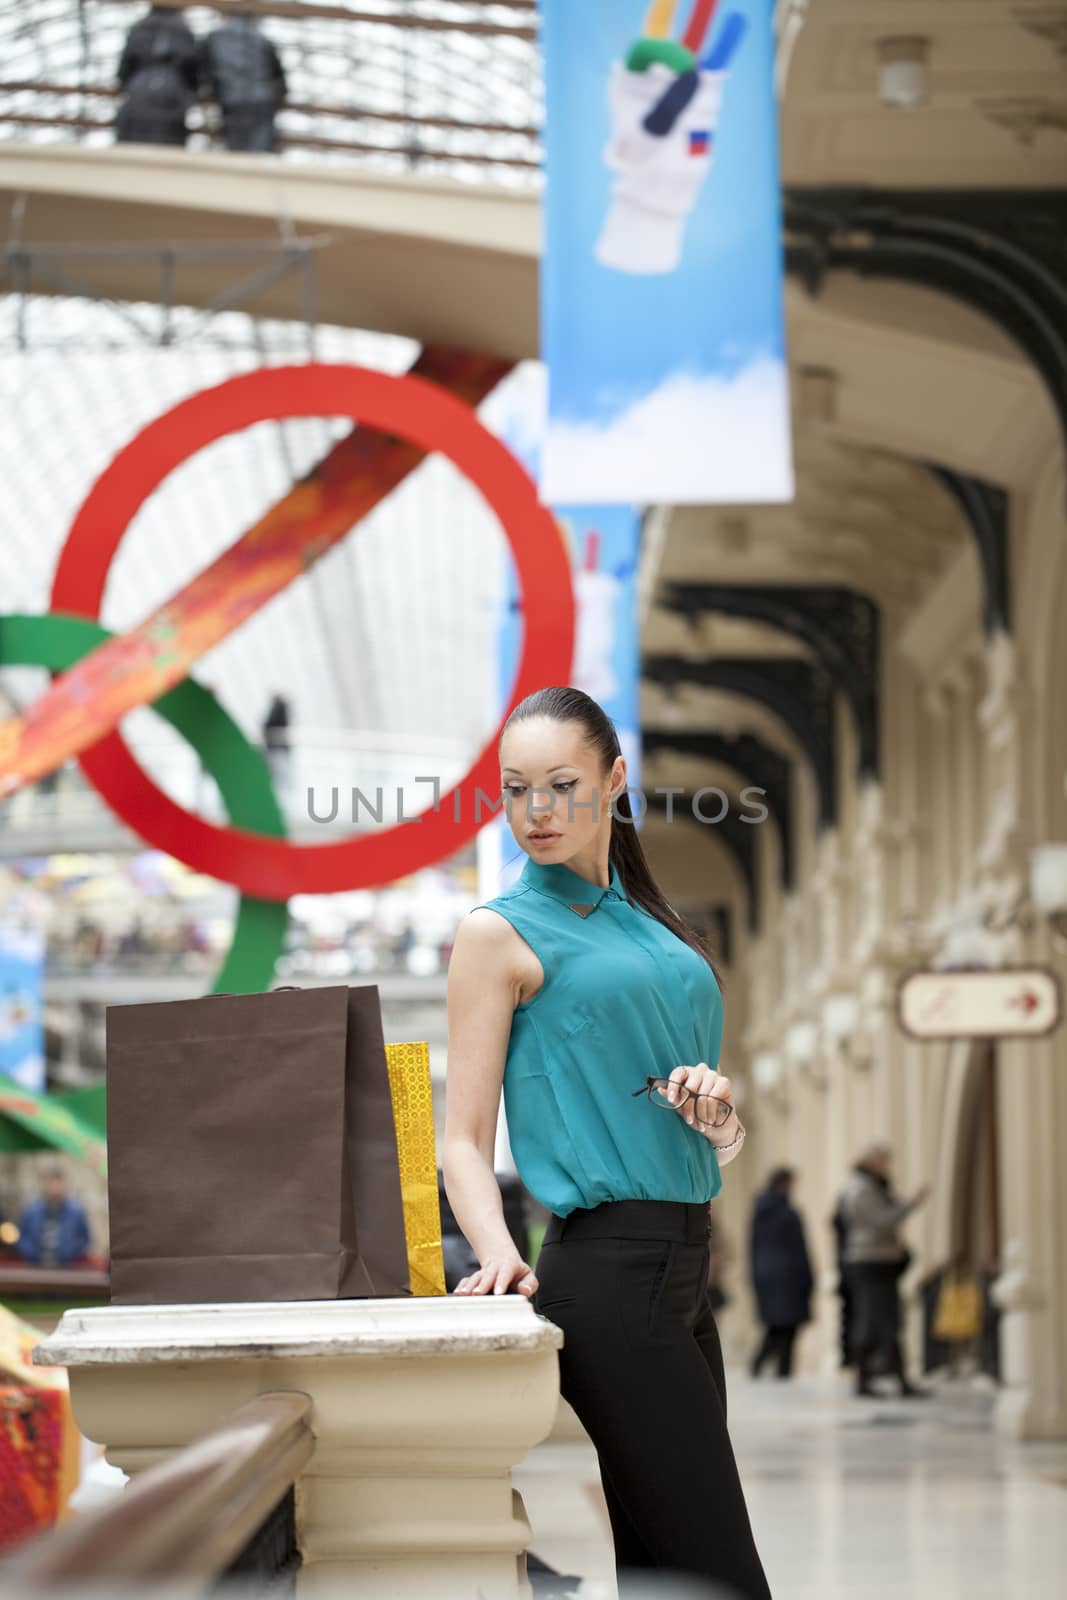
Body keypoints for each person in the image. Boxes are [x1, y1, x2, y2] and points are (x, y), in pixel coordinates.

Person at [443, 685, 771, 1600]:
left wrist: (721, 1119)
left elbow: (710, 1139)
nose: (536, 811)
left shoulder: (655, 924)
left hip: (682, 1264)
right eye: (515, 790)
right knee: (719, 1570)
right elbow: (461, 1139)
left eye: (559, 784)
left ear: (614, 781)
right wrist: (501, 1256)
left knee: (664, 1560)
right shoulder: (497, 932)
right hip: (607, 1274)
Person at [840, 1143, 930, 1399]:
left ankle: (883, 1379)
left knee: (882, 1319)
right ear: (871, 1162)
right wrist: (910, 1203)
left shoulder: (868, 1186)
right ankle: (877, 1379)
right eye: (883, 1161)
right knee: (878, 1320)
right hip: (872, 1261)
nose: (886, 1167)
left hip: (877, 1260)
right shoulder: (862, 1188)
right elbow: (882, 1220)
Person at [749, 1167, 813, 1379]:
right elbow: (799, 1248)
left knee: (777, 1324)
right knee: (785, 1326)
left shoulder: (761, 1212)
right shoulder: (786, 1213)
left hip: (767, 1275)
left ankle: (769, 1366)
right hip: (789, 1276)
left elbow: (753, 1246)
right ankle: (780, 1369)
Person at [197, 15, 287, 153]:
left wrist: (213, 91)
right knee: (259, 151)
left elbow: (203, 71)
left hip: (231, 100)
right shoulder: (261, 39)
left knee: (236, 149)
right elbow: (278, 76)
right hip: (261, 101)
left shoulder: (214, 37)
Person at [114, 4, 200, 148]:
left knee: (134, 140)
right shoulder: (183, 30)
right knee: (169, 141)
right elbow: (191, 67)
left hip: (140, 86)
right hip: (173, 88)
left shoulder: (140, 27)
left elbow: (126, 65)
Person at [15, 1166, 91, 1268]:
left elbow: (85, 1239)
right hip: (35, 1266)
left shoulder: (76, 1212)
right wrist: (30, 1253)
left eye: (58, 1184)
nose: (55, 1188)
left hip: (67, 1268)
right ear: (46, 1185)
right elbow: (20, 1236)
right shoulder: (32, 1210)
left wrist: (70, 1254)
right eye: (52, 1184)